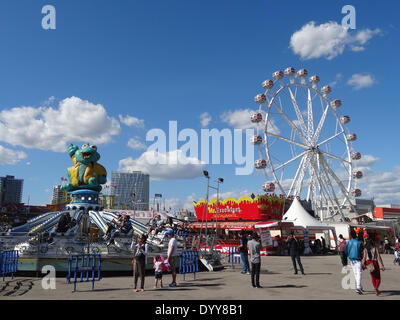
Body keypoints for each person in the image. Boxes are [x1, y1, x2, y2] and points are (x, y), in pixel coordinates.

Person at [346, 229, 366, 295]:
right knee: (359, 273)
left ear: (350, 235)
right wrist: (363, 260)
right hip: (358, 260)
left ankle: (359, 286)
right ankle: (358, 287)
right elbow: (362, 252)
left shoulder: (348, 242)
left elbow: (346, 251)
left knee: (355, 273)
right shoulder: (359, 243)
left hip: (351, 260)